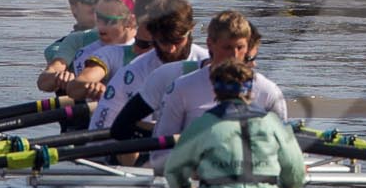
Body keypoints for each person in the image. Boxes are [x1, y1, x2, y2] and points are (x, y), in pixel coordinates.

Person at [161, 59, 307, 188]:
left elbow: (174, 170)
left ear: (215, 89)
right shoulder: (273, 123)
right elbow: (295, 168)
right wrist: (288, 187)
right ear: (251, 90)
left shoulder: (202, 124)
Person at [111, 10, 286, 142]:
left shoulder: (269, 91)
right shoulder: (181, 88)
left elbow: (284, 146)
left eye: (240, 48)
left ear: (248, 46)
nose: (234, 55)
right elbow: (160, 152)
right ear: (210, 43)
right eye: (227, 48)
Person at [91, 0, 202, 132]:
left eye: (177, 40)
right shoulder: (132, 74)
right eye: (164, 41)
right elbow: (104, 131)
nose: (171, 49)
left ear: (191, 30)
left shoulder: (206, 62)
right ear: (153, 35)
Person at [55, 0, 138, 106]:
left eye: (109, 21)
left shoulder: (151, 42)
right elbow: (74, 88)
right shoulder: (90, 50)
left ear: (131, 21)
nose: (101, 26)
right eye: (99, 18)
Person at [36, 0, 103, 94]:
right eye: (89, 0)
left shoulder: (127, 40)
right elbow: (45, 81)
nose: (95, 5)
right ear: (74, 8)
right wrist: (59, 76)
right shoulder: (58, 48)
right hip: (76, 107)